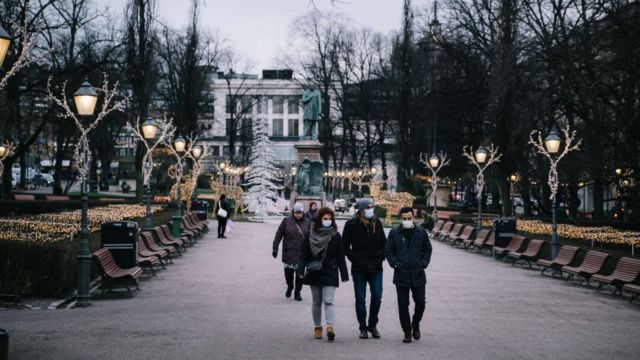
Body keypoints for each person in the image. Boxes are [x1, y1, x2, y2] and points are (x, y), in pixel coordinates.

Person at [298, 207, 349, 342]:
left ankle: (330, 327)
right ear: (319, 219)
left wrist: (344, 274)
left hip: (330, 270)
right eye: (325, 219)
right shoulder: (310, 234)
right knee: (316, 302)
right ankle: (317, 327)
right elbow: (303, 254)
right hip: (314, 270)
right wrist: (300, 271)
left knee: (329, 301)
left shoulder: (335, 235)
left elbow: (340, 256)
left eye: (330, 219)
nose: (327, 221)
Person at [385, 207, 433, 343]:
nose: (407, 221)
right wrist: (395, 264)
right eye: (404, 219)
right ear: (401, 218)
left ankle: (416, 323)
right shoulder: (394, 233)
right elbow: (388, 251)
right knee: (402, 304)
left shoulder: (421, 232)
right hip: (401, 274)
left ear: (413, 217)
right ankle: (407, 331)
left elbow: (428, 249)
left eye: (409, 218)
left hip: (418, 273)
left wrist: (423, 263)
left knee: (420, 302)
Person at [342, 198, 386, 339]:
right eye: (368, 207)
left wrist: (380, 256)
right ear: (360, 210)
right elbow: (344, 246)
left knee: (377, 297)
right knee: (360, 299)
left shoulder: (377, 223)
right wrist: (354, 258)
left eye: (371, 207)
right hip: (359, 268)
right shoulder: (351, 225)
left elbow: (384, 243)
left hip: (375, 267)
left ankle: (372, 325)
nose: (370, 210)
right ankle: (363, 328)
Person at [273, 203, 310, 301]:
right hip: (289, 252)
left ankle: (298, 292)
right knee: (288, 275)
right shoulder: (286, 221)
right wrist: (275, 248)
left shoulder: (308, 222)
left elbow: (312, 238)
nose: (298, 215)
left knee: (300, 276)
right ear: (293, 212)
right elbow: (278, 235)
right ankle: (290, 286)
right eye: (296, 213)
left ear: (303, 213)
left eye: (300, 213)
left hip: (302, 254)